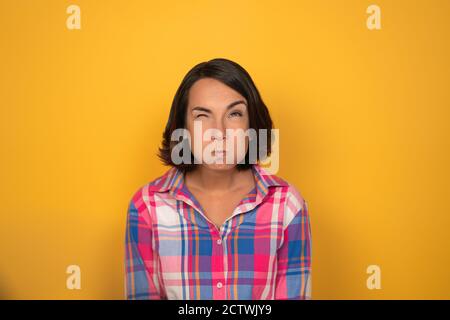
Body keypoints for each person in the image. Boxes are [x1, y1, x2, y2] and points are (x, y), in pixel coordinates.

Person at [124, 58, 312, 300]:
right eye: (203, 116)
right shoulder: (147, 207)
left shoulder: (287, 205)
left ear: (252, 125)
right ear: (183, 128)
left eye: (234, 114)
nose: (220, 133)